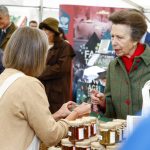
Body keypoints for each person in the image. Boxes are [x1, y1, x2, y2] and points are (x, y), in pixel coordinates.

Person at [0, 27, 91, 150]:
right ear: (37, 55)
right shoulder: (29, 85)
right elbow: (51, 136)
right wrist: (76, 113)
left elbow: (20, 122)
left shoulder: (4, 77)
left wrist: (57, 115)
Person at [90, 9, 150, 119]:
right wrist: (103, 102)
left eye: (120, 37)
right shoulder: (113, 66)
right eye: (112, 36)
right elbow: (111, 108)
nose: (113, 42)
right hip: (120, 134)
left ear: (135, 39)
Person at [38, 17, 76, 113]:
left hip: (57, 92)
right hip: (40, 89)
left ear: (53, 32)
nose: (43, 32)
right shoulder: (40, 46)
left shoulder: (65, 47)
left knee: (57, 119)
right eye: (42, 29)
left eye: (46, 29)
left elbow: (61, 68)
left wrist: (38, 71)